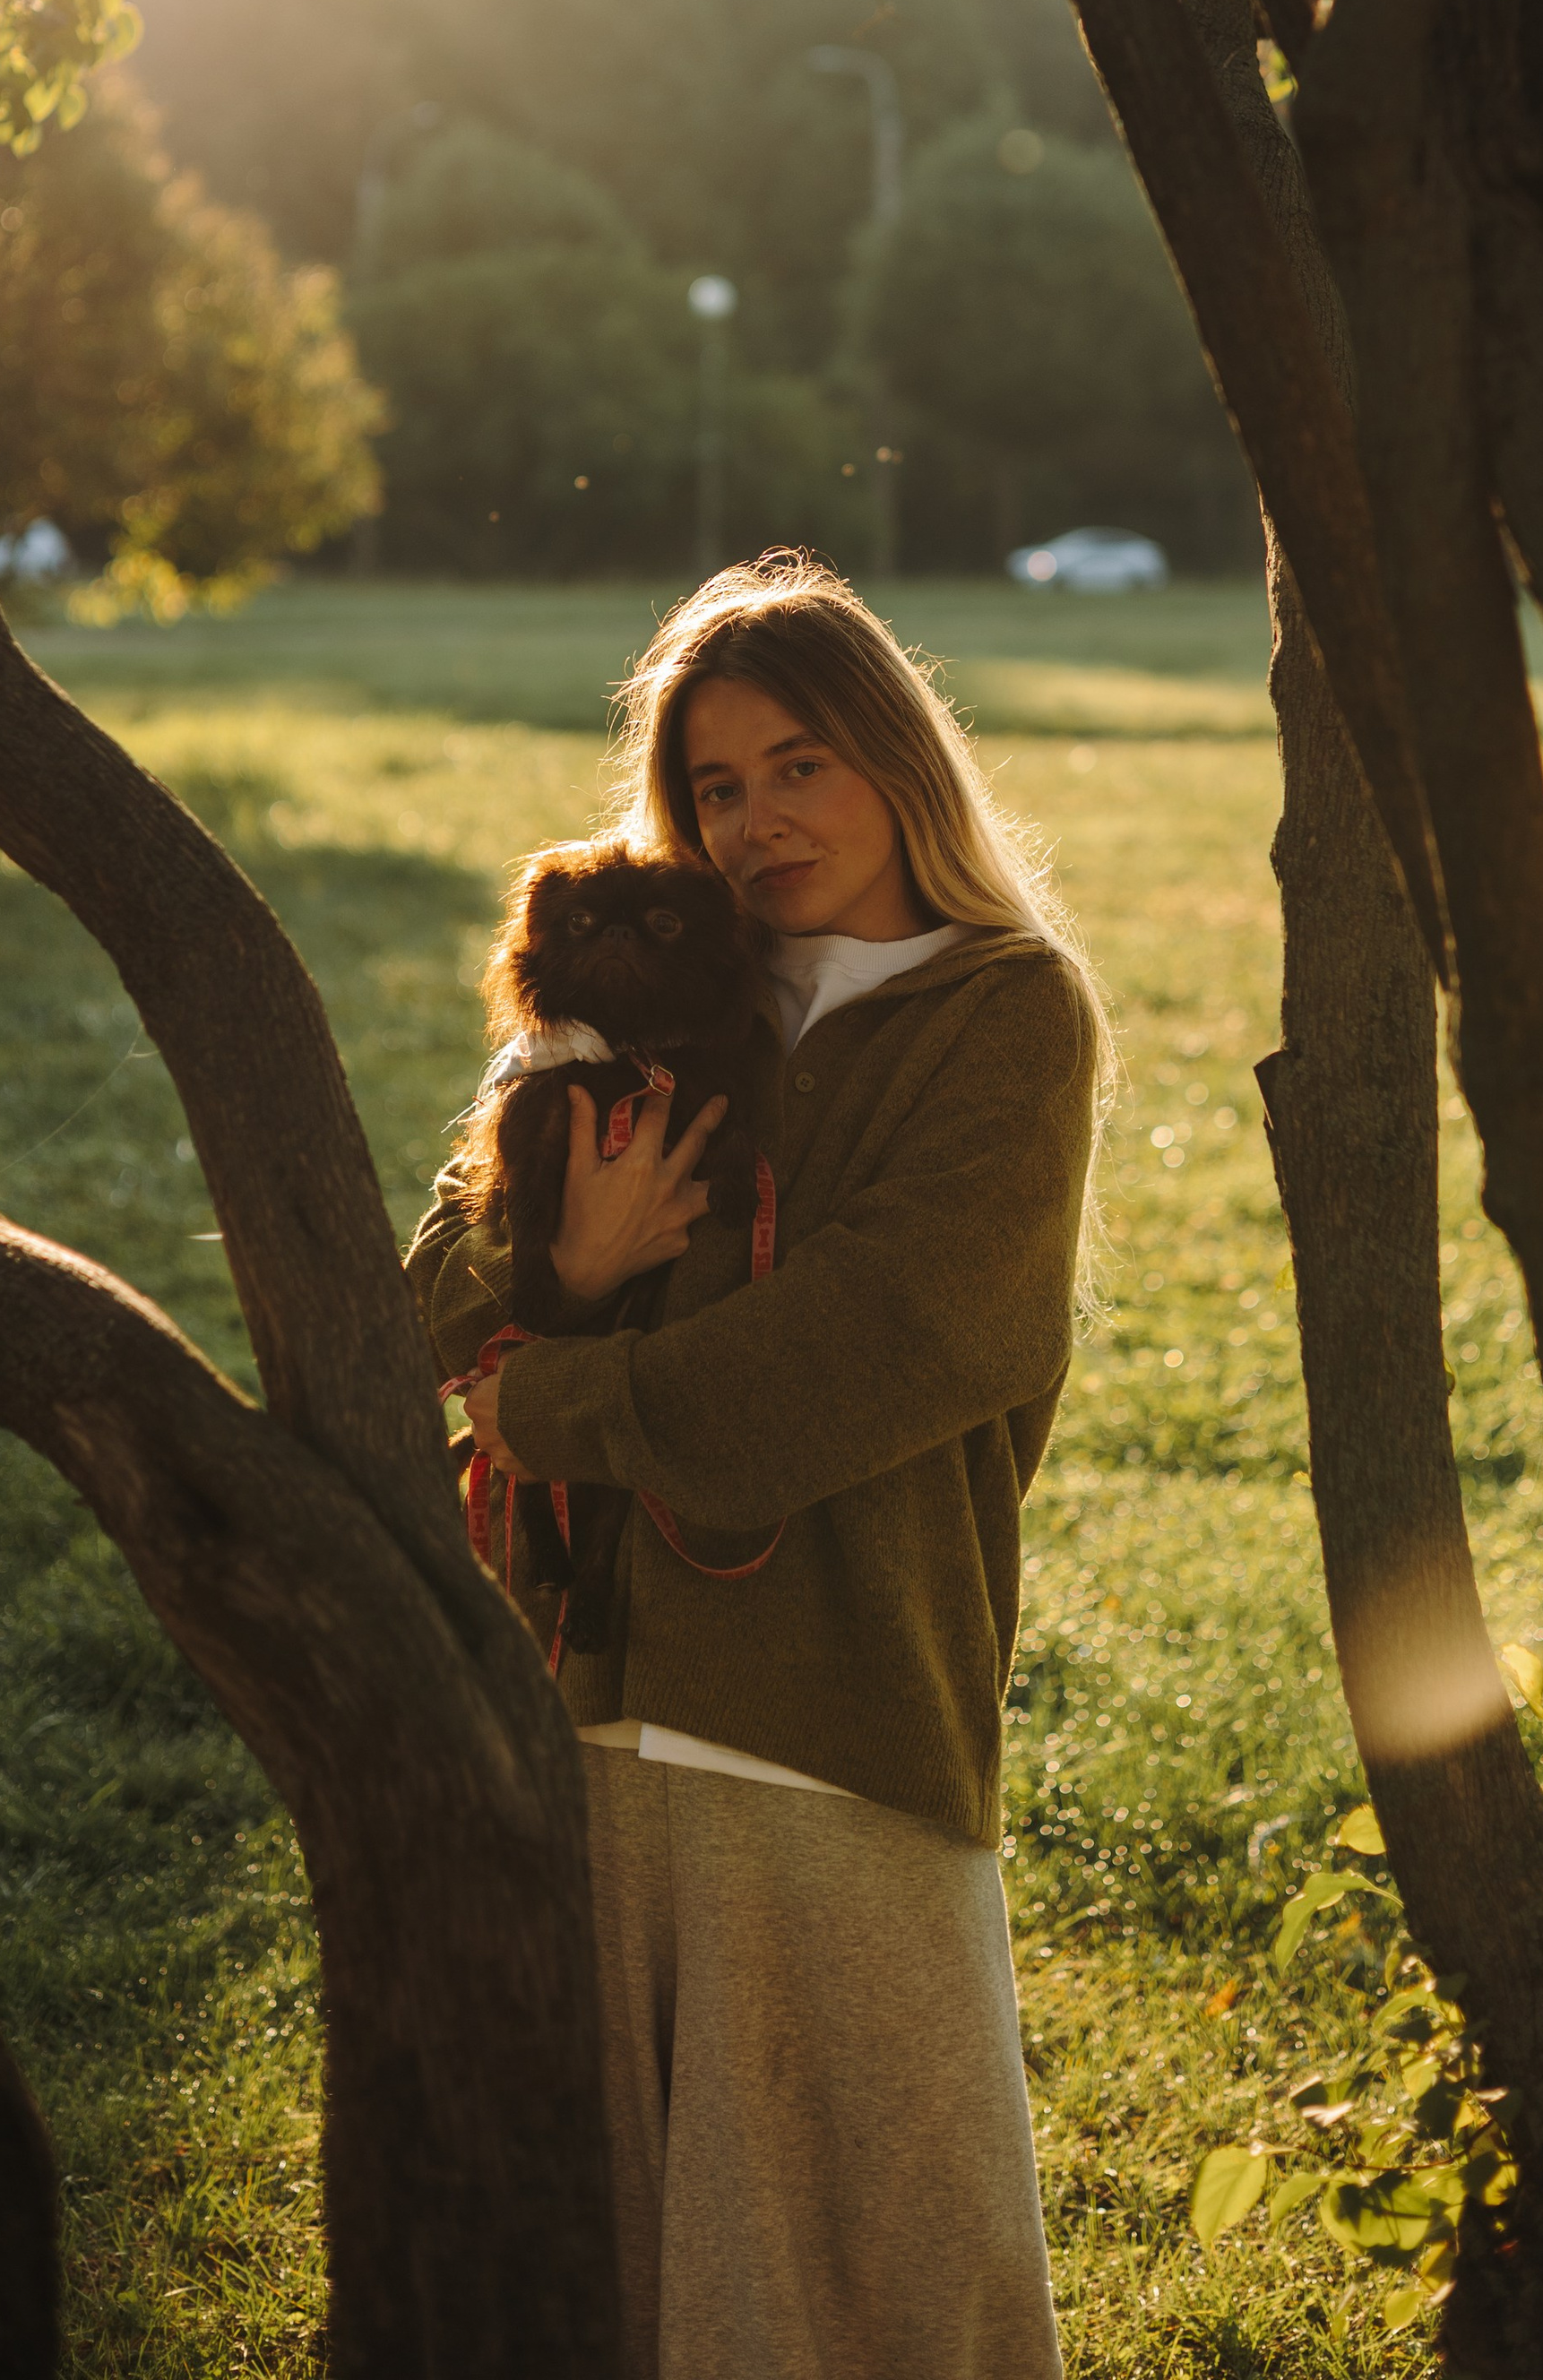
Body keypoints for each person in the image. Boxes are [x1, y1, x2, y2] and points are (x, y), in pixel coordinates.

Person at [406, 552, 1108, 2380]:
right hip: (581, 1706)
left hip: (834, 1707)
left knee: (880, 2268)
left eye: (797, 764)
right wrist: (558, 1282)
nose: (754, 822)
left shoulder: (999, 1010)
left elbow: (901, 1338)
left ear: (894, 758)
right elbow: (419, 1311)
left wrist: (543, 1395)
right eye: (712, 786)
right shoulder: (629, 1003)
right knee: (638, 2273)